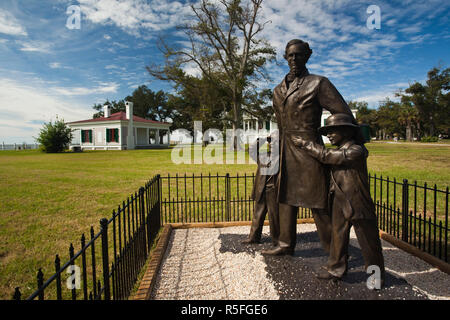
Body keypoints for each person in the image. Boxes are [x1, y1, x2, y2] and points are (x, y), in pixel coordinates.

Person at [263, 39, 363, 256]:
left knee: (319, 202)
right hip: (284, 149)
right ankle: (285, 243)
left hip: (308, 149)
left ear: (308, 56)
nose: (294, 59)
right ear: (285, 58)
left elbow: (342, 112)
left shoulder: (318, 83)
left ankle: (334, 253)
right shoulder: (277, 90)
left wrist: (347, 142)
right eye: (290, 55)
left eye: (299, 55)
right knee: (285, 198)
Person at [292, 113, 385, 286]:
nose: (329, 135)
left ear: (346, 131)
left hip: (357, 202)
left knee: (368, 241)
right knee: (338, 235)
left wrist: (306, 145)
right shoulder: (340, 149)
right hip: (339, 200)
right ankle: (336, 269)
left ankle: (376, 277)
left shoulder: (356, 150)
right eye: (327, 132)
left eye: (332, 131)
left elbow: (327, 157)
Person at [242, 133, 280, 246]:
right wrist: (262, 139)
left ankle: (277, 240)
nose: (273, 144)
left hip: (273, 190)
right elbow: (251, 149)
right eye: (271, 142)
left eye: (275, 142)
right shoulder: (263, 156)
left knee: (274, 217)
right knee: (257, 215)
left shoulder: (283, 157)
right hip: (261, 189)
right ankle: (253, 237)